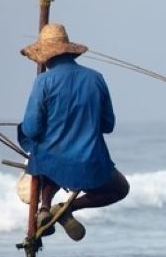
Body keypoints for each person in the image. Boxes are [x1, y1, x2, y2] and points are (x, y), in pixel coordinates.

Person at [18, 23, 129, 241]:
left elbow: (31, 129)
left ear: (44, 56)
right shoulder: (96, 78)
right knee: (119, 188)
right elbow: (108, 125)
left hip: (51, 161)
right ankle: (66, 208)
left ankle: (46, 208)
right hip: (90, 162)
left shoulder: (43, 82)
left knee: (48, 160)